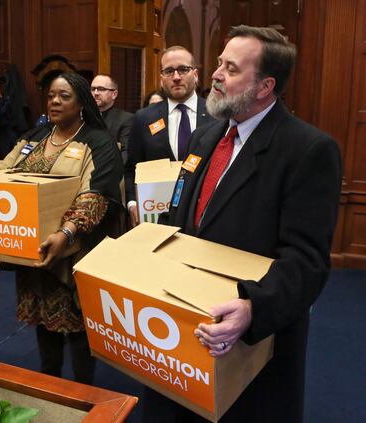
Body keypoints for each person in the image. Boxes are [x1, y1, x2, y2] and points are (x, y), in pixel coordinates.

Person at [145, 25, 342, 422]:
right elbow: (181, 213)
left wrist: (254, 307)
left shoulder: (308, 150)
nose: (215, 74)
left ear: (265, 85)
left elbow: (307, 262)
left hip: (251, 345)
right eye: (219, 63)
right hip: (184, 326)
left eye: (231, 69)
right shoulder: (206, 137)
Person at [0, 72, 124, 384]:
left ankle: (83, 394)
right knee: (43, 322)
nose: (54, 101)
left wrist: (66, 232)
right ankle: (50, 385)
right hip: (33, 250)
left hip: (74, 253)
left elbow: (97, 194)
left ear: (81, 103)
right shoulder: (34, 137)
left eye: (64, 96)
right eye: (51, 95)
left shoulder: (99, 141)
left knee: (78, 327)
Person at [125, 46, 213, 226]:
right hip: (156, 215)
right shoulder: (144, 118)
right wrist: (133, 203)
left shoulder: (217, 116)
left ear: (195, 75)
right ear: (161, 78)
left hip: (204, 217)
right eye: (169, 71)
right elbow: (131, 168)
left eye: (183, 69)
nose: (176, 77)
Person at [91, 74, 134, 162]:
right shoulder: (80, 117)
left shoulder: (126, 119)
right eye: (93, 89)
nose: (95, 93)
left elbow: (126, 153)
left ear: (114, 94)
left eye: (101, 89)